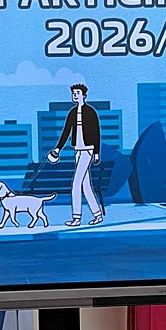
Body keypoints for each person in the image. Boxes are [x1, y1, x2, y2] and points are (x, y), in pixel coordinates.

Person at [49, 83, 103, 226]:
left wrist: (96, 152)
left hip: (88, 150)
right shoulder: (72, 113)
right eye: (73, 93)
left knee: (76, 184)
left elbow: (96, 133)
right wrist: (58, 149)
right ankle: (97, 214)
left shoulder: (90, 112)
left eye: (77, 93)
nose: (74, 95)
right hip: (78, 150)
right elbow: (66, 132)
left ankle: (76, 218)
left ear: (84, 95)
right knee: (86, 185)